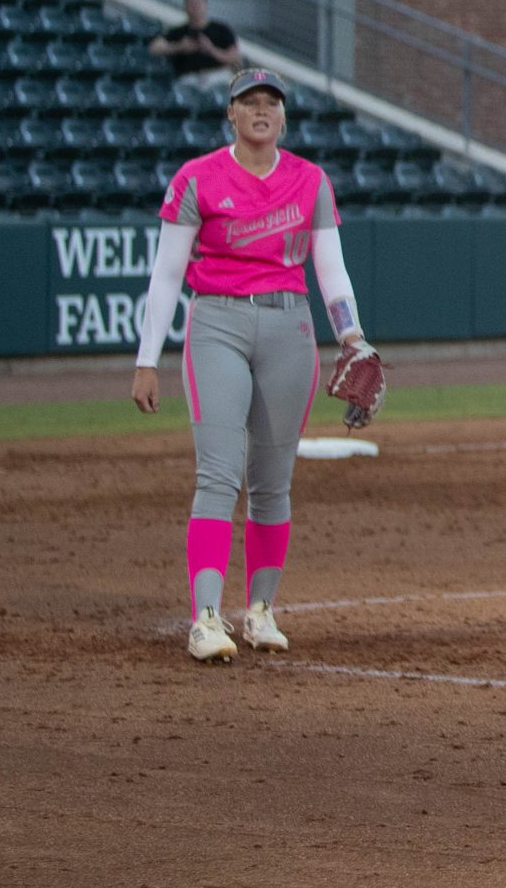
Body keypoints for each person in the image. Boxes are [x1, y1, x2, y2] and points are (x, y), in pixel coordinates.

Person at [130, 68, 372, 664]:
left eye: (271, 103)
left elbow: (331, 269)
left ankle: (260, 610)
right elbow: (165, 275)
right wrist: (146, 359)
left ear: (283, 117)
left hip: (290, 328)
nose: (261, 111)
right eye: (249, 102)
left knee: (272, 480)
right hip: (216, 322)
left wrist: (352, 337)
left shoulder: (310, 180)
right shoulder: (197, 177)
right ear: (231, 115)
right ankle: (206, 618)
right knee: (218, 473)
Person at [147, 0, 244, 89]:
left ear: (205, 4)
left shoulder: (221, 29)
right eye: (191, 3)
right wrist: (179, 47)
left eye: (198, 2)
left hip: (216, 75)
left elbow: (234, 56)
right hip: (188, 77)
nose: (195, 6)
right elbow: (154, 48)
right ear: (185, 6)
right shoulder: (179, 32)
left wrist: (211, 50)